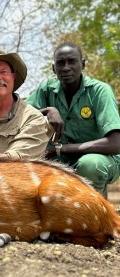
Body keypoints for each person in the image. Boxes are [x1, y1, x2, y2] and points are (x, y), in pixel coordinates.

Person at [26, 41, 120, 197]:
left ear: (82, 64)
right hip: (60, 159)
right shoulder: (46, 89)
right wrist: (48, 110)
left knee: (89, 165)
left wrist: (60, 149)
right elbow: (20, 114)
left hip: (102, 158)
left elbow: (116, 143)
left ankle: (98, 213)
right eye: (60, 63)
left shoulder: (100, 91)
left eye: (72, 61)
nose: (66, 68)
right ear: (53, 68)